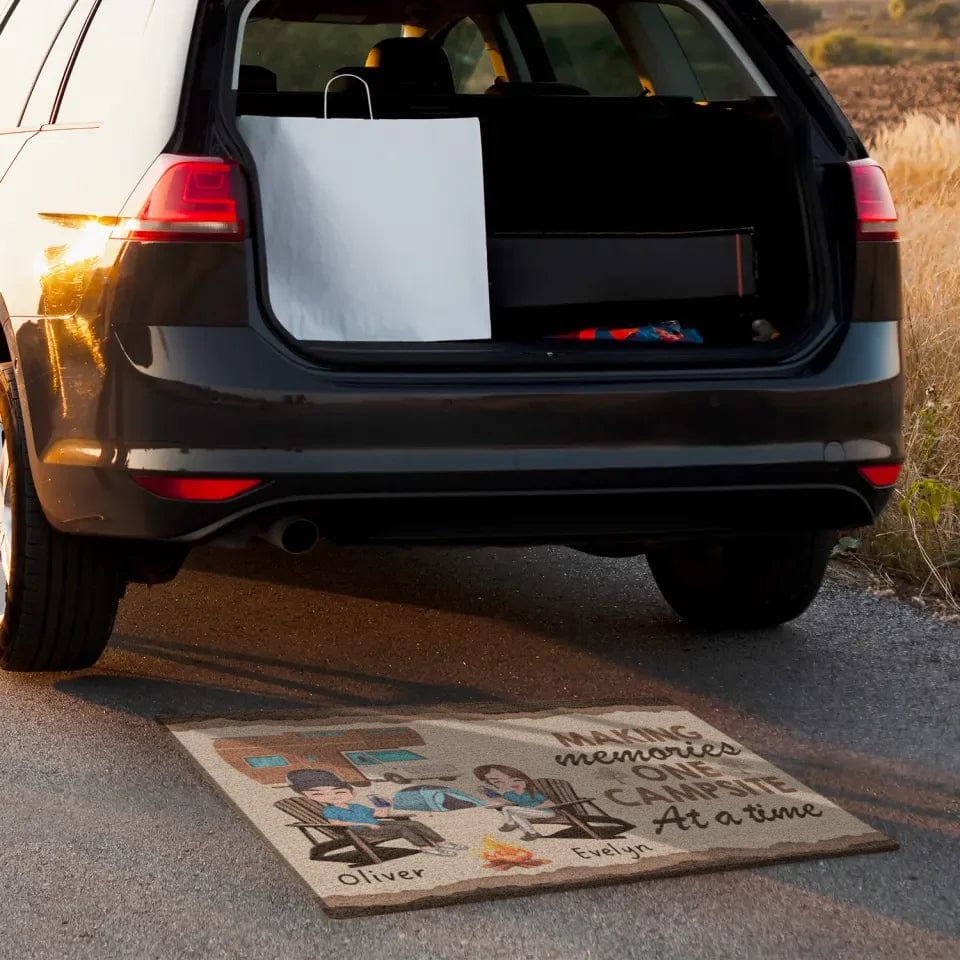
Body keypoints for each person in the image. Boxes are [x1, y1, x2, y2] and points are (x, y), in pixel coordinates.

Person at [286, 769, 466, 857]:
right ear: (307, 796)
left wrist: (389, 808)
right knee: (403, 829)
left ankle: (444, 843)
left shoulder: (356, 807)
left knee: (413, 823)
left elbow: (379, 813)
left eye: (339, 792)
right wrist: (364, 824)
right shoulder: (330, 809)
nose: (331, 796)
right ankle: (427, 848)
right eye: (318, 794)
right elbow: (337, 825)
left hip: (376, 825)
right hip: (359, 832)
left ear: (351, 792)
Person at [474, 765, 556, 841]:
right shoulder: (509, 794)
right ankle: (533, 833)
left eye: (517, 780)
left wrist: (532, 808)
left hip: (545, 812)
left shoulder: (532, 793)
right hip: (527, 812)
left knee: (507, 809)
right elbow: (506, 802)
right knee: (514, 814)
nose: (513, 783)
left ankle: (510, 823)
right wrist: (490, 800)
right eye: (500, 782)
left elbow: (551, 804)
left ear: (526, 782)